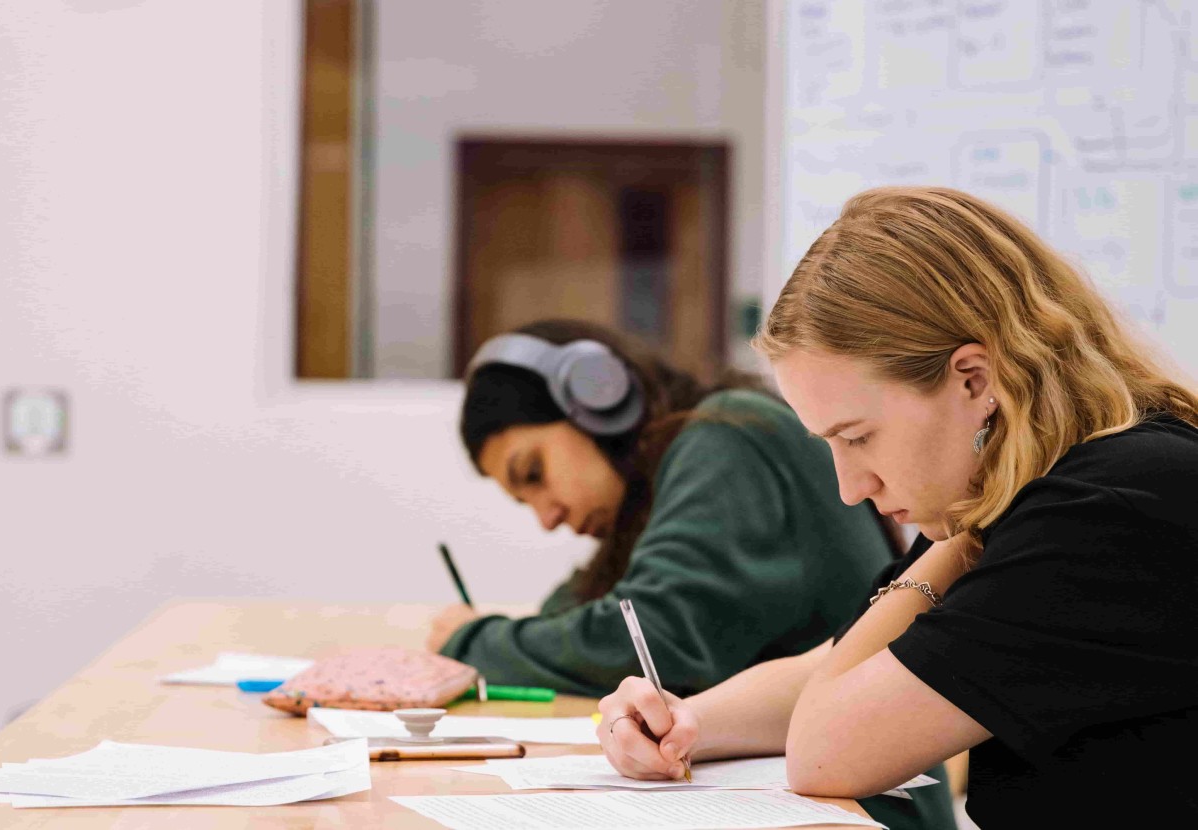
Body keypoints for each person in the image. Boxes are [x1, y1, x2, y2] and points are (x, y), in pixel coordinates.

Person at [596, 186, 1198, 828]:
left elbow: (828, 752)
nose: (851, 488)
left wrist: (952, 544)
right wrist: (686, 722)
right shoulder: (1030, 484)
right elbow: (843, 669)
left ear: (976, 379)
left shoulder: (1110, 506)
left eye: (858, 438)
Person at [429, 318, 957, 830]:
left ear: (599, 398)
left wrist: (468, 640)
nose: (548, 517)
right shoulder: (660, 483)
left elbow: (650, 637)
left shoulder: (729, 438)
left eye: (535, 474)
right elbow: (570, 618)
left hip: (861, 812)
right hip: (787, 793)